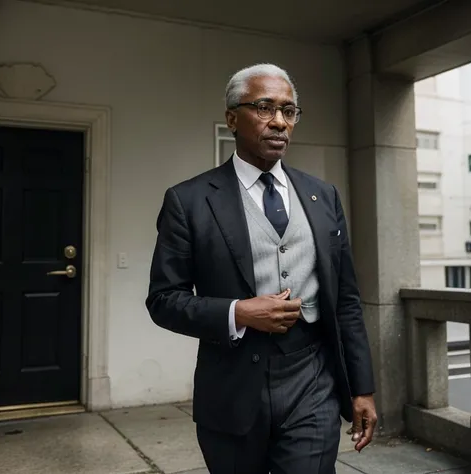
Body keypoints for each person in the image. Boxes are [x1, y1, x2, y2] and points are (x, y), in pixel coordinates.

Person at [146, 63, 377, 474]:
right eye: (265, 107)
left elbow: (345, 300)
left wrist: (362, 389)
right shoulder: (190, 200)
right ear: (232, 118)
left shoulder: (323, 196)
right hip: (232, 388)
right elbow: (164, 300)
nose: (279, 122)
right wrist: (238, 312)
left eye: (289, 111)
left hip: (312, 378)